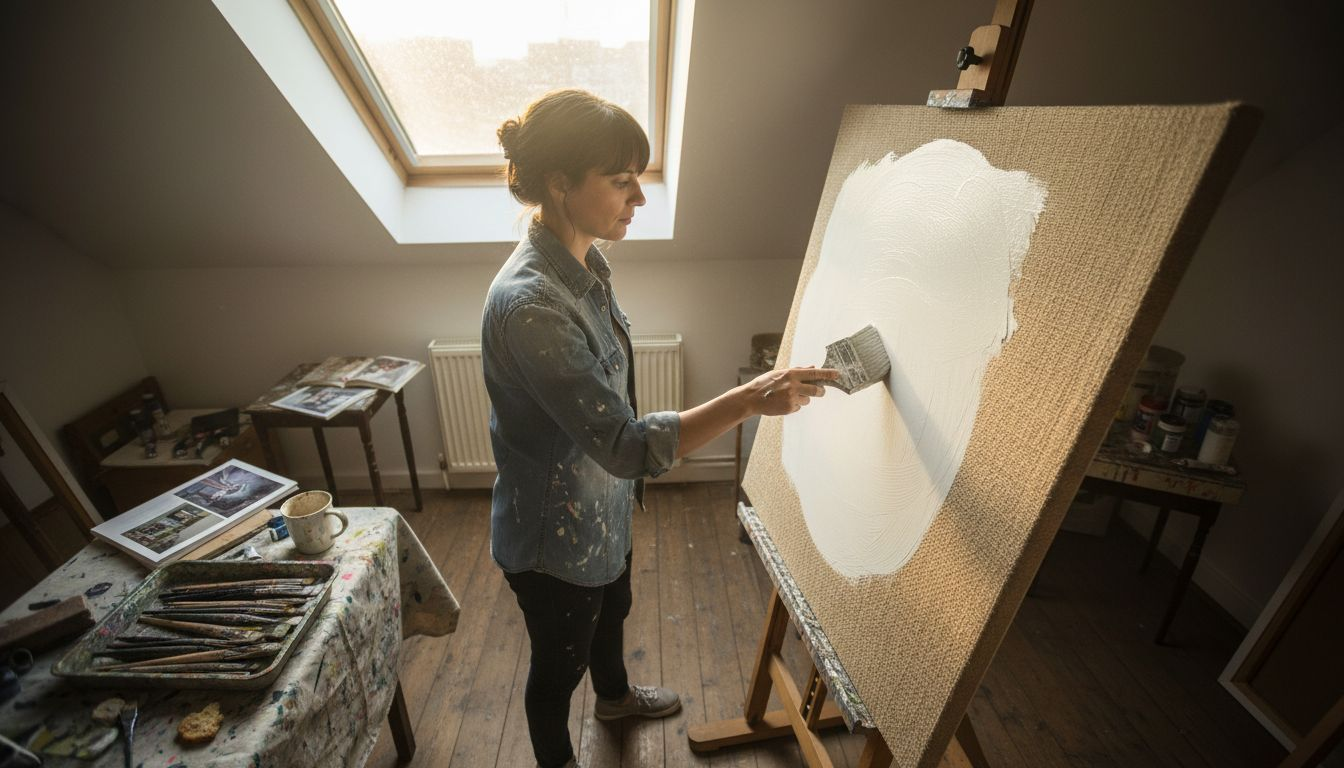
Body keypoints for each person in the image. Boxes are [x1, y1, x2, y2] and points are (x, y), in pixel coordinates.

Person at [481, 89, 836, 768]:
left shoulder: (583, 260)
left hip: (600, 507)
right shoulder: (531, 304)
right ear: (560, 185)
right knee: (558, 671)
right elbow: (623, 445)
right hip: (552, 537)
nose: (637, 199)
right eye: (620, 183)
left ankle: (613, 700)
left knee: (613, 610)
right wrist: (750, 399)